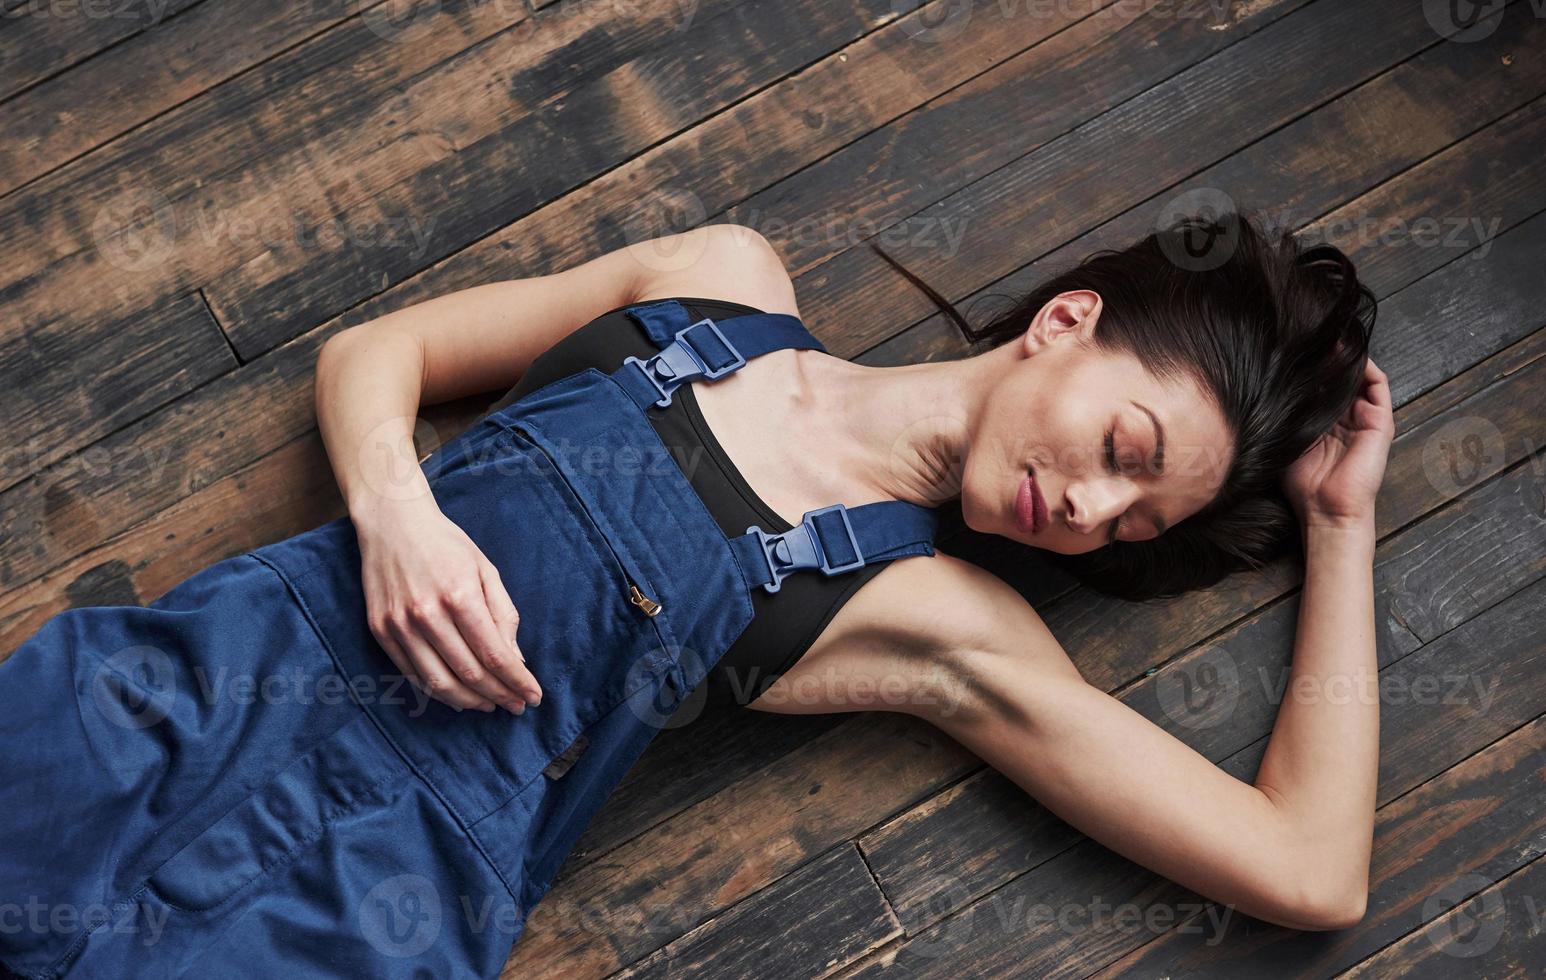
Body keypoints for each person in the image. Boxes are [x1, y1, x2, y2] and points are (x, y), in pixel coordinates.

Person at [0, 212, 1392, 977]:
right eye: (1122, 450)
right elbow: (384, 351)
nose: (1090, 506)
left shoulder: (935, 619)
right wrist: (393, 508)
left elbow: (1306, 870)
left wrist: (1337, 528)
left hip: (360, 903)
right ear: (1067, 321)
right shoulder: (716, 286)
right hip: (179, 692)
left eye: (1131, 517)